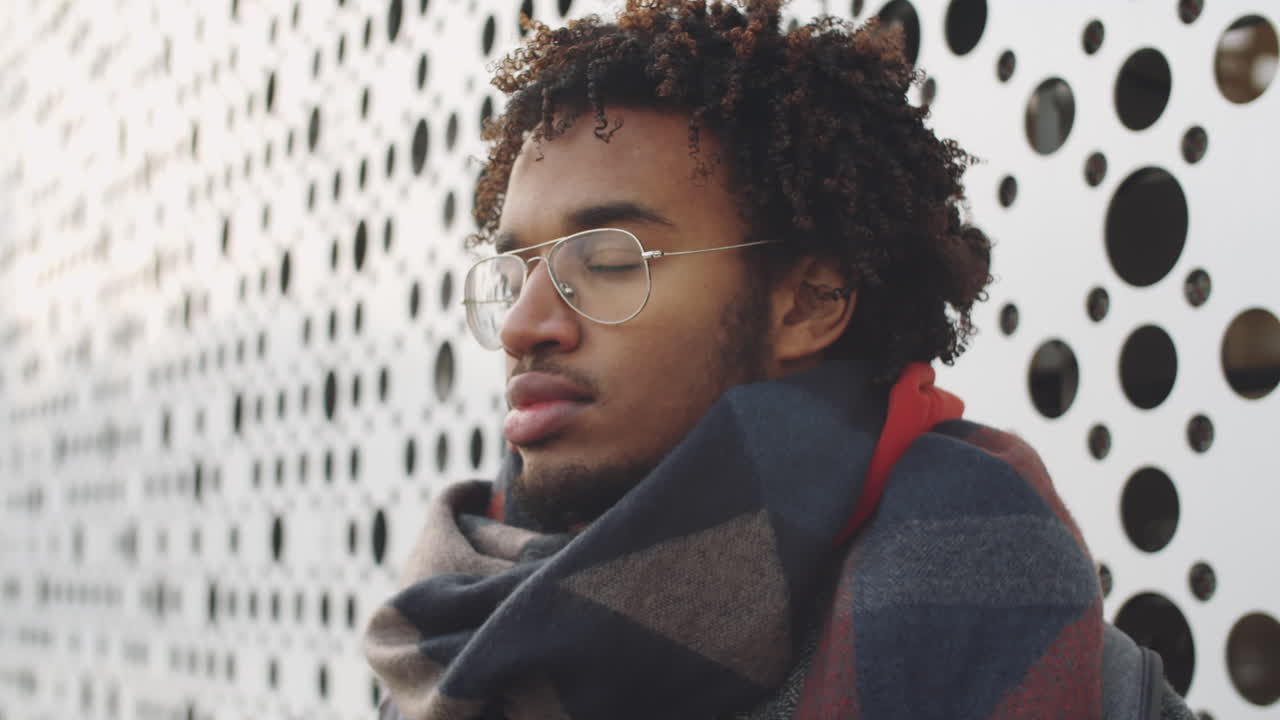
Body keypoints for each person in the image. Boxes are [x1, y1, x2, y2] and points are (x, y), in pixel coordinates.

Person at [363, 2, 1194, 718]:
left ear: (810, 302)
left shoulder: (991, 610)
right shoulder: (453, 625)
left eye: (609, 261)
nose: (522, 326)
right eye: (514, 273)